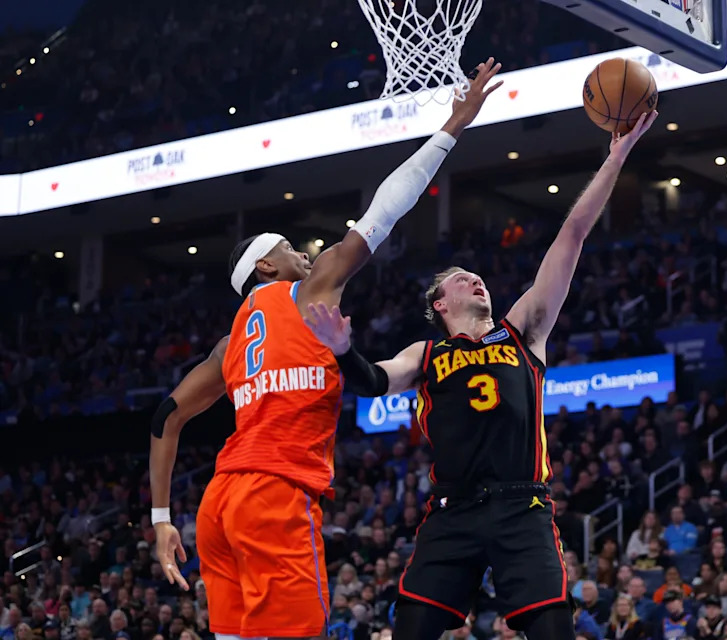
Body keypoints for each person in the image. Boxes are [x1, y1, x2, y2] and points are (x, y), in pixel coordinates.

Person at [147, 60, 503, 640]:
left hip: (218, 503)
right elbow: (383, 213)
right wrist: (452, 128)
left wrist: (162, 519)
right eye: (290, 247)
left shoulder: (229, 342)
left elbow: (167, 416)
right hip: (274, 493)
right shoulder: (305, 291)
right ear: (266, 266)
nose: (305, 254)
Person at [305, 110, 659, 639]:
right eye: (460, 279)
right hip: (453, 512)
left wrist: (617, 157)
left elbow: (573, 234)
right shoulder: (425, 354)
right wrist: (341, 351)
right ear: (439, 303)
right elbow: (374, 381)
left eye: (478, 277)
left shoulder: (523, 331)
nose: (477, 280)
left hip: (523, 505)